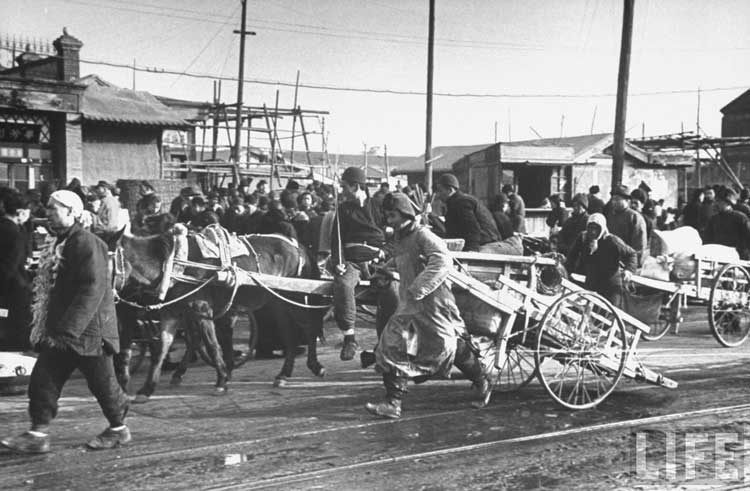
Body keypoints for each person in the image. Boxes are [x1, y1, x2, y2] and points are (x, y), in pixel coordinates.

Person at [1, 190, 130, 454]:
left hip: (89, 331)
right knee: (43, 381)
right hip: (62, 331)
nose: (47, 212)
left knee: (103, 384)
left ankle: (119, 429)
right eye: (48, 207)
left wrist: (69, 328)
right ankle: (38, 433)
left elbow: (92, 288)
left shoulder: (86, 242)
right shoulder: (61, 241)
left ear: (72, 212)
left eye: (53, 208)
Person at [365, 192, 489, 419]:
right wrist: (386, 267)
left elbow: (443, 260)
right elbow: (404, 258)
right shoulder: (402, 238)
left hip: (434, 303)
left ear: (405, 214)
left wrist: (418, 289)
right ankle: (393, 403)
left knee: (448, 347)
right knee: (392, 345)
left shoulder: (423, 235)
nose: (389, 221)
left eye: (392, 215)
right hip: (411, 305)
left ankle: (482, 380)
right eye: (387, 216)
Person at [331, 166, 390, 361]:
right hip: (353, 261)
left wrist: (385, 253)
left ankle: (388, 343)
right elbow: (336, 239)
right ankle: (349, 338)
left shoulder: (379, 205)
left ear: (356, 186)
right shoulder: (343, 209)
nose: (343, 191)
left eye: (345, 187)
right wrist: (338, 263)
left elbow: (394, 233)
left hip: (379, 261)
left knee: (393, 290)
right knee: (343, 284)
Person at [565, 213, 637, 309]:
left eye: (596, 229)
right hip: (592, 282)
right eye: (591, 228)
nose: (593, 232)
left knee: (608, 314)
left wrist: (629, 270)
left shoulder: (612, 241)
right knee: (588, 312)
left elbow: (631, 254)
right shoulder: (583, 238)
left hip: (610, 286)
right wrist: (567, 271)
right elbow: (572, 256)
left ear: (602, 228)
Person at [0, 188, 32, 351]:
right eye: (27, 212)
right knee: (14, 332)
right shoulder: (15, 232)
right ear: (20, 212)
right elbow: (10, 267)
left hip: (5, 291)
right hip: (14, 290)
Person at [438, 173, 501, 252]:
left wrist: (471, 250)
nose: (438, 195)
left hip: (485, 243)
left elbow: (472, 229)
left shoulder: (461, 202)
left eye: (440, 191)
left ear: (450, 190)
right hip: (484, 242)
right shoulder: (455, 203)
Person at [606, 184, 647, 267]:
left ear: (627, 201)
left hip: (625, 264)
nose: (613, 202)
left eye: (617, 199)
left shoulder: (635, 218)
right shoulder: (610, 216)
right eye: (613, 199)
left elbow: (639, 247)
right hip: (609, 262)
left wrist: (631, 266)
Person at [704, 188, 750, 260]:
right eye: (716, 201)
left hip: (738, 257)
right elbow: (707, 239)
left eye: (719, 201)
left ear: (728, 203)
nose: (716, 203)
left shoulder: (740, 218)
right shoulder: (713, 219)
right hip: (717, 256)